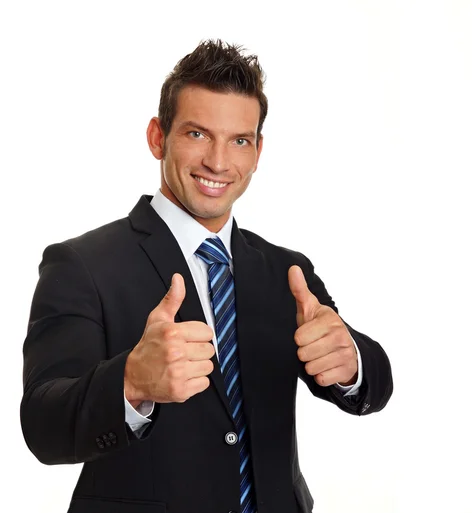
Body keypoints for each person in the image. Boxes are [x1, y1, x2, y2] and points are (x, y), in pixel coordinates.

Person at [20, 39, 393, 513]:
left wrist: (352, 362)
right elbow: (42, 426)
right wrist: (130, 382)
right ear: (158, 137)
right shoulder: (82, 265)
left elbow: (374, 385)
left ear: (258, 151)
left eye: (239, 140)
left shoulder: (286, 271)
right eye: (197, 134)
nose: (219, 162)